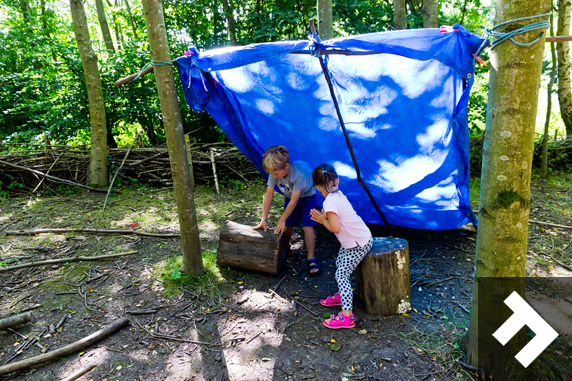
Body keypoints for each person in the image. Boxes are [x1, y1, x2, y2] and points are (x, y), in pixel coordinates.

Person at [310, 164, 373, 329]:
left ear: (316, 187)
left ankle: (347, 317)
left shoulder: (330, 203)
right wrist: (326, 217)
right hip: (357, 239)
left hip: (357, 244)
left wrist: (323, 220)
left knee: (341, 275)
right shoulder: (337, 194)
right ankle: (342, 296)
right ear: (337, 180)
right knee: (340, 264)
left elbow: (335, 228)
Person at [253, 145, 320, 275]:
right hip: (290, 197)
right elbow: (268, 196)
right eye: (271, 173)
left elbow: (295, 200)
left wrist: (281, 219)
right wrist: (264, 219)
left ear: (286, 166)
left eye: (276, 173)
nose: (273, 176)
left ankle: (311, 257)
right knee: (288, 225)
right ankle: (285, 248)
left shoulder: (298, 174)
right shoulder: (274, 173)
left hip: (307, 197)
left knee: (307, 226)